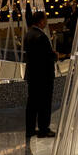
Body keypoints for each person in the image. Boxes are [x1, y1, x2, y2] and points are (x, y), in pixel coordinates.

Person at [23, 10, 57, 139]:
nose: (46, 22)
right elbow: (46, 56)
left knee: (32, 103)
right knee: (44, 103)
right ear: (41, 21)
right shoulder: (41, 36)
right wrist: (55, 55)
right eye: (45, 19)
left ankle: (30, 129)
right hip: (43, 76)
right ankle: (44, 129)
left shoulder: (28, 34)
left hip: (32, 74)